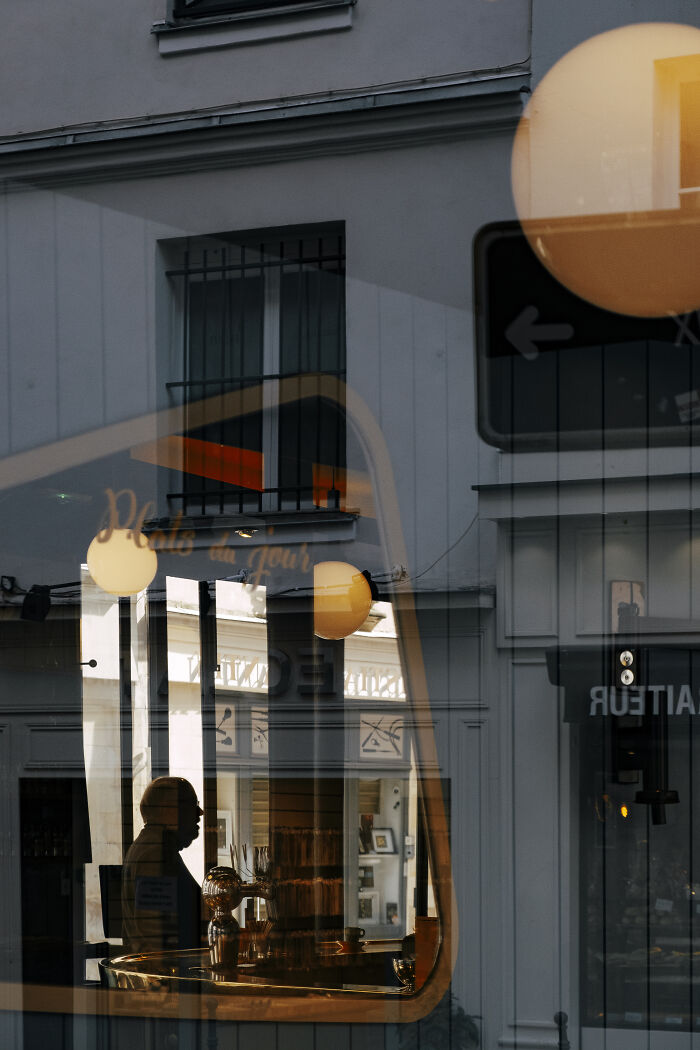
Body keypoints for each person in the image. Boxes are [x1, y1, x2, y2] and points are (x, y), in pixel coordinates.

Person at [121, 777, 206, 953]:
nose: (200, 812)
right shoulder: (154, 852)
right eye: (192, 805)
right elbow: (155, 933)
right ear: (169, 810)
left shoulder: (154, 847)